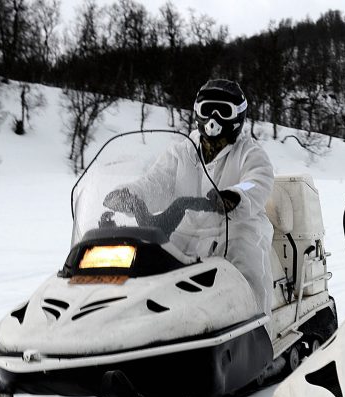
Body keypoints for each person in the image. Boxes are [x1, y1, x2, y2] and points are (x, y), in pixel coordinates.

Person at [104, 79, 275, 316]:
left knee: (248, 269)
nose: (213, 119)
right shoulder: (183, 149)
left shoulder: (249, 152)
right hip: (186, 229)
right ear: (197, 112)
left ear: (237, 117)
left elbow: (257, 180)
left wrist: (234, 195)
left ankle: (256, 328)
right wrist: (131, 195)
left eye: (223, 111)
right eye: (207, 110)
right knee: (151, 271)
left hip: (236, 228)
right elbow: (156, 181)